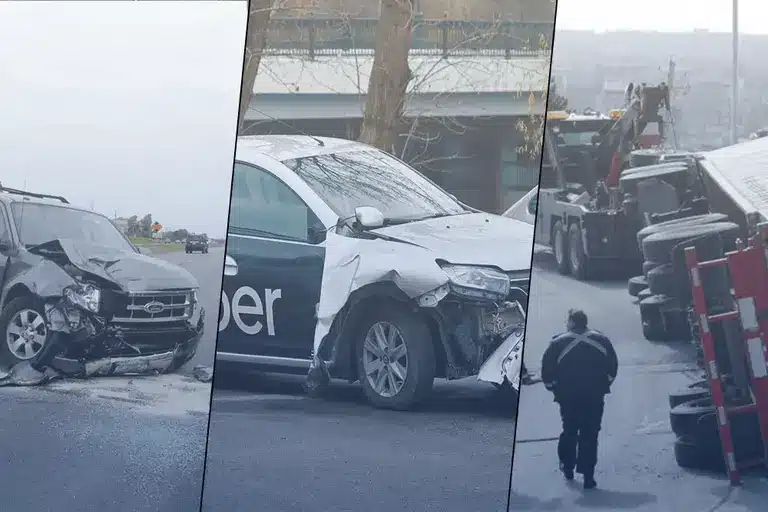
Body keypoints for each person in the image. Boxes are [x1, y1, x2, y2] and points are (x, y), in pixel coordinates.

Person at [541, 309, 618, 490]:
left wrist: (555, 390)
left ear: (572, 322)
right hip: (594, 396)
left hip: (568, 398)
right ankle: (588, 475)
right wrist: (603, 386)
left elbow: (547, 372)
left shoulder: (557, 343)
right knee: (590, 434)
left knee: (569, 431)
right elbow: (612, 367)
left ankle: (568, 467)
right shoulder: (602, 340)